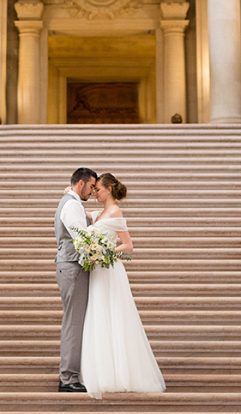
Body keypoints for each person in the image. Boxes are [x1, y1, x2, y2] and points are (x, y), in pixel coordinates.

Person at [80, 172, 166, 399]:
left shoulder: (115, 211)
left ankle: (122, 374)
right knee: (100, 316)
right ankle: (105, 372)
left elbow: (128, 246)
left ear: (109, 189)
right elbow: (78, 215)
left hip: (109, 270)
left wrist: (103, 253)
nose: (95, 192)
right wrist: (70, 194)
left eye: (97, 189)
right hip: (97, 271)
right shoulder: (99, 213)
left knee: (115, 315)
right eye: (93, 189)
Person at [54, 166, 98, 392]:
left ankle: (71, 373)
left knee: (75, 321)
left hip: (71, 265)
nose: (92, 192)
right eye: (91, 186)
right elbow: (83, 238)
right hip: (73, 266)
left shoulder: (71, 202)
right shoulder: (71, 204)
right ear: (80, 184)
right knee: (73, 323)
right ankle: (68, 378)